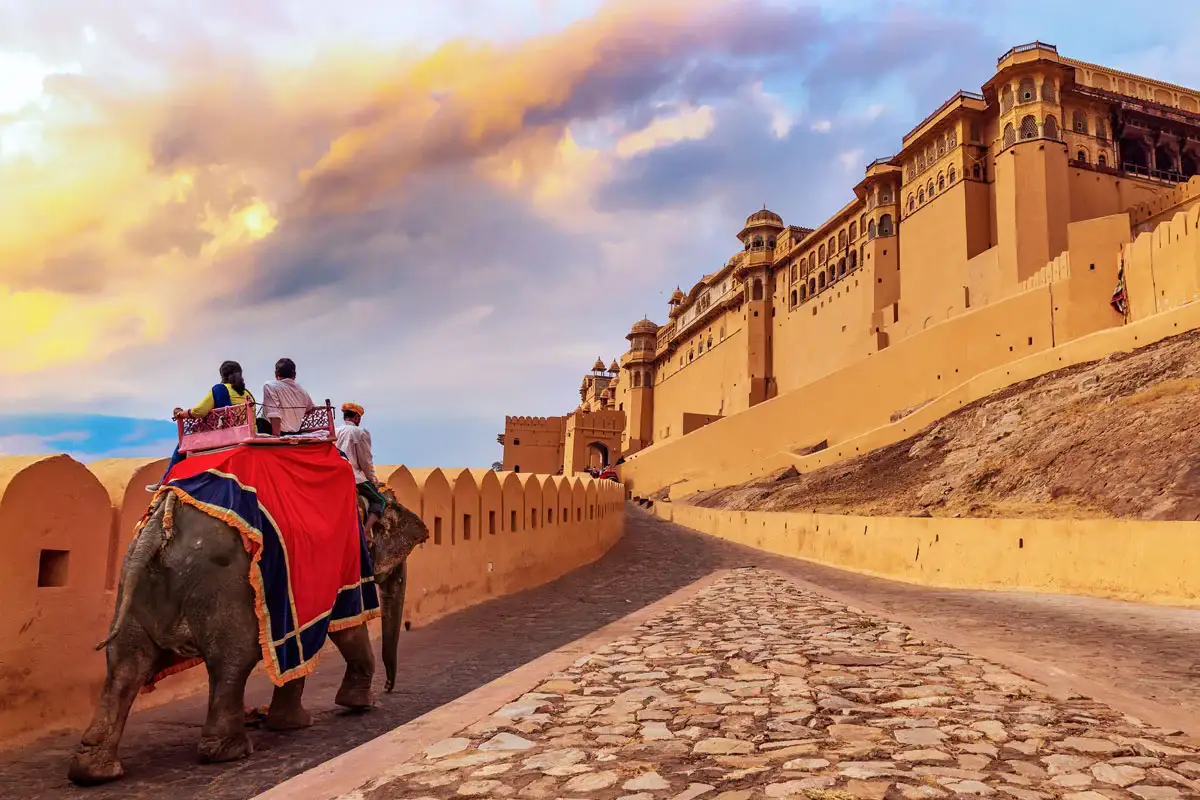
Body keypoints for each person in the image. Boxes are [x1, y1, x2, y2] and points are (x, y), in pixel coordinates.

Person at [147, 360, 256, 491]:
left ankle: (164, 482)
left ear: (222, 375)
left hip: (227, 436)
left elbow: (199, 411)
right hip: (248, 434)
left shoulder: (219, 389)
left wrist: (180, 414)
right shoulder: (247, 393)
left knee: (181, 446)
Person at [335, 402, 386, 541]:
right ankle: (367, 530)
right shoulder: (360, 433)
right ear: (357, 418)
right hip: (354, 477)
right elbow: (365, 460)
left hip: (335, 476)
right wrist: (373, 480)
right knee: (380, 500)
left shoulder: (334, 431)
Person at [257, 357, 315, 436]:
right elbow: (310, 409)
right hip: (295, 432)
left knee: (259, 421)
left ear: (276, 374)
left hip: (276, 433)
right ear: (294, 375)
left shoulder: (270, 386)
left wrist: (276, 438)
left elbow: (274, 414)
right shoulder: (303, 391)